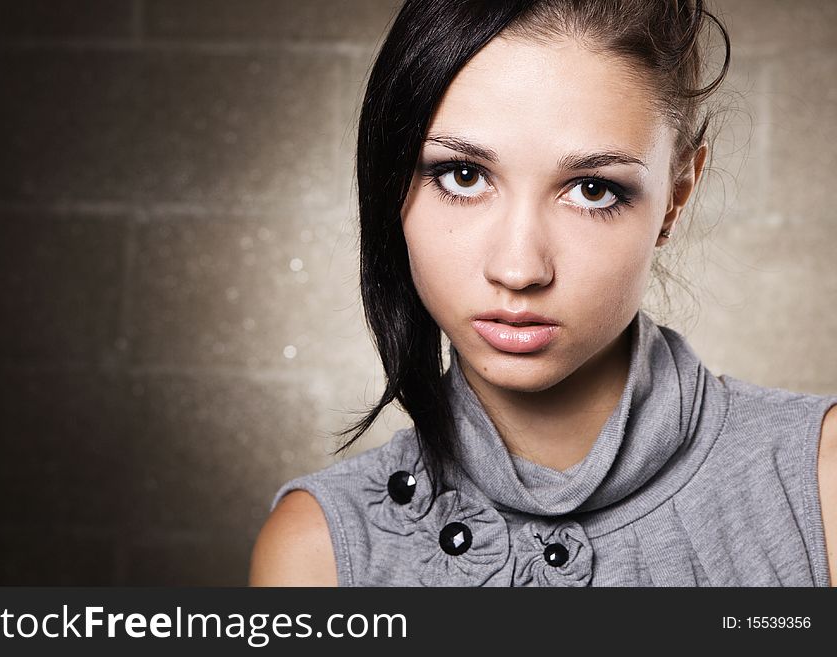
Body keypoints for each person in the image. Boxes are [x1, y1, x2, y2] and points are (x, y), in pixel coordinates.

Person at [249, 0, 837, 587]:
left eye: (591, 189)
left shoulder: (821, 484)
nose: (519, 268)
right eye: (463, 175)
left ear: (676, 196)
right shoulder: (316, 555)